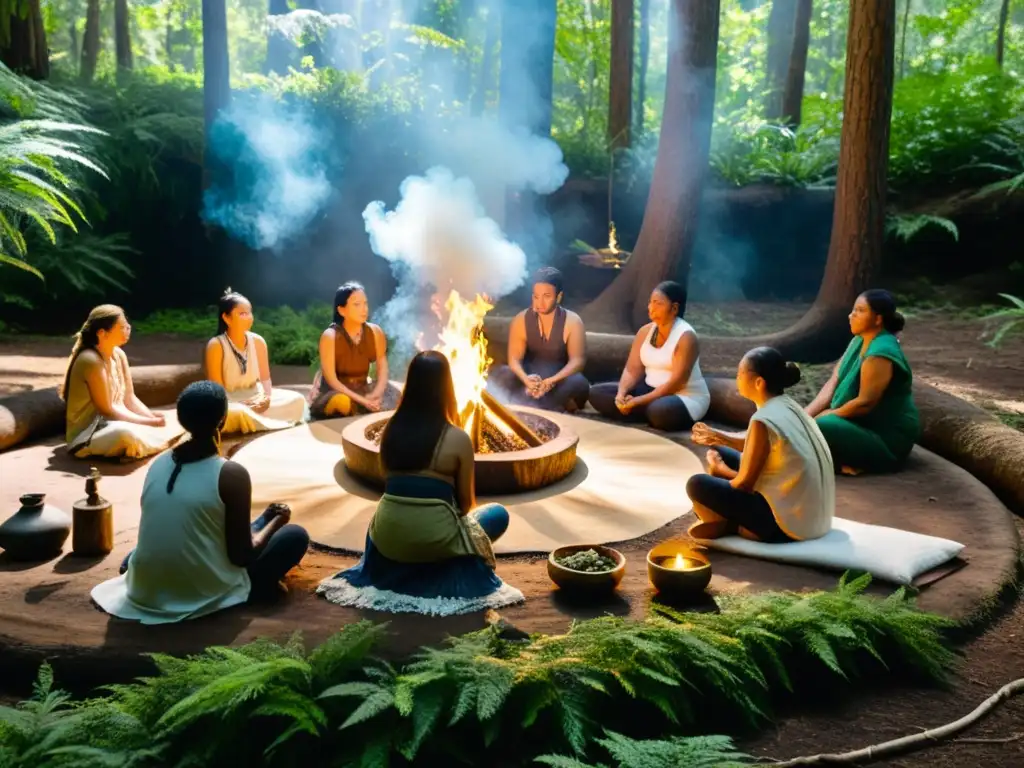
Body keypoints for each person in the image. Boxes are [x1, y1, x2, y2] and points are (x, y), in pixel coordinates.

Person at [317, 351, 521, 613]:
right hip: (435, 540)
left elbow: (390, 485)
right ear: (448, 387)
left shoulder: (391, 430)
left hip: (388, 538)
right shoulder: (457, 438)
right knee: (496, 515)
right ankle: (436, 563)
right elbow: (466, 504)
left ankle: (405, 557)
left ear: (410, 383)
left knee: (386, 516)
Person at [91, 381, 310, 625]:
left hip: (145, 586)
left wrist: (267, 518)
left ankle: (153, 576)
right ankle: (252, 589)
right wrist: (278, 520)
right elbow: (242, 556)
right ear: (223, 420)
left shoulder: (159, 463)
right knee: (294, 536)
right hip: (201, 589)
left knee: (140, 554)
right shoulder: (230, 474)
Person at [687, 347, 835, 543]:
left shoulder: (762, 420)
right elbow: (758, 446)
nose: (737, 378)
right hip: (816, 519)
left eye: (740, 374)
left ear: (758, 382)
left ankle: (732, 524)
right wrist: (718, 437)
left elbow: (744, 484)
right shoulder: (789, 405)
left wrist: (719, 469)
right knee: (721, 451)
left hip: (785, 526)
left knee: (697, 484)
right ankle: (726, 520)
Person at [804, 290, 921, 475]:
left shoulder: (880, 353)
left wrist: (827, 416)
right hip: (857, 425)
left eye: (860, 310)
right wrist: (804, 417)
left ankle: (851, 460)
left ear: (877, 319)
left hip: (885, 439)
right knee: (808, 425)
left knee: (821, 427)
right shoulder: (858, 340)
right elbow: (833, 382)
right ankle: (841, 461)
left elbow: (865, 403)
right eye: (853, 310)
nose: (851, 315)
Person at [60, 304, 181, 460]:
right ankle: (151, 443)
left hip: (116, 422)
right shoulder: (90, 360)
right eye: (122, 327)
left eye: (127, 325)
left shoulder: (119, 354)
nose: (128, 329)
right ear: (102, 333)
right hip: (89, 434)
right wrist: (148, 423)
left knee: (174, 420)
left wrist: (152, 418)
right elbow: (108, 410)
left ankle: (147, 442)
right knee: (125, 434)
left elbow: (129, 398)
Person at [588, 281, 710, 431]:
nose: (651, 308)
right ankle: (637, 411)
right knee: (596, 393)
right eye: (650, 303)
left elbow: (676, 383)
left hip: (684, 396)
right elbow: (632, 369)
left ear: (674, 308)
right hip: (648, 391)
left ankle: (641, 412)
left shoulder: (686, 337)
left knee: (660, 411)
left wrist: (638, 401)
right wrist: (621, 394)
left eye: (658, 304)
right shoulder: (645, 332)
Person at [485, 267, 590, 412]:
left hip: (560, 378)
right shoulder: (521, 319)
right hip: (530, 375)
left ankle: (538, 401)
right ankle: (535, 399)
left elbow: (577, 361)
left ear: (558, 297)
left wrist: (551, 381)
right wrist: (526, 379)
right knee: (501, 373)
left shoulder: (572, 321)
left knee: (578, 382)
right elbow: (514, 359)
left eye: (546, 296)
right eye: (536, 296)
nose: (540, 303)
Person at [204, 289, 307, 434]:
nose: (249, 318)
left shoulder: (258, 341)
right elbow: (216, 391)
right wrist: (241, 405)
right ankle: (248, 417)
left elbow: (265, 378)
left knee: (297, 400)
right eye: (242, 314)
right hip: (229, 402)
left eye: (250, 312)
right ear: (226, 318)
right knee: (232, 414)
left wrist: (266, 399)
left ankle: (252, 419)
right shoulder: (216, 345)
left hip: (255, 396)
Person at [308, 282, 400, 420]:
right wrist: (365, 401)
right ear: (341, 310)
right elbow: (332, 381)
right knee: (342, 403)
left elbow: (382, 365)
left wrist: (376, 393)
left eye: (365, 303)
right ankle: (360, 411)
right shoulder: (330, 336)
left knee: (395, 395)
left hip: (362, 388)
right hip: (336, 392)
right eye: (357, 304)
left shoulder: (375, 332)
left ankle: (367, 411)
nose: (364, 309)